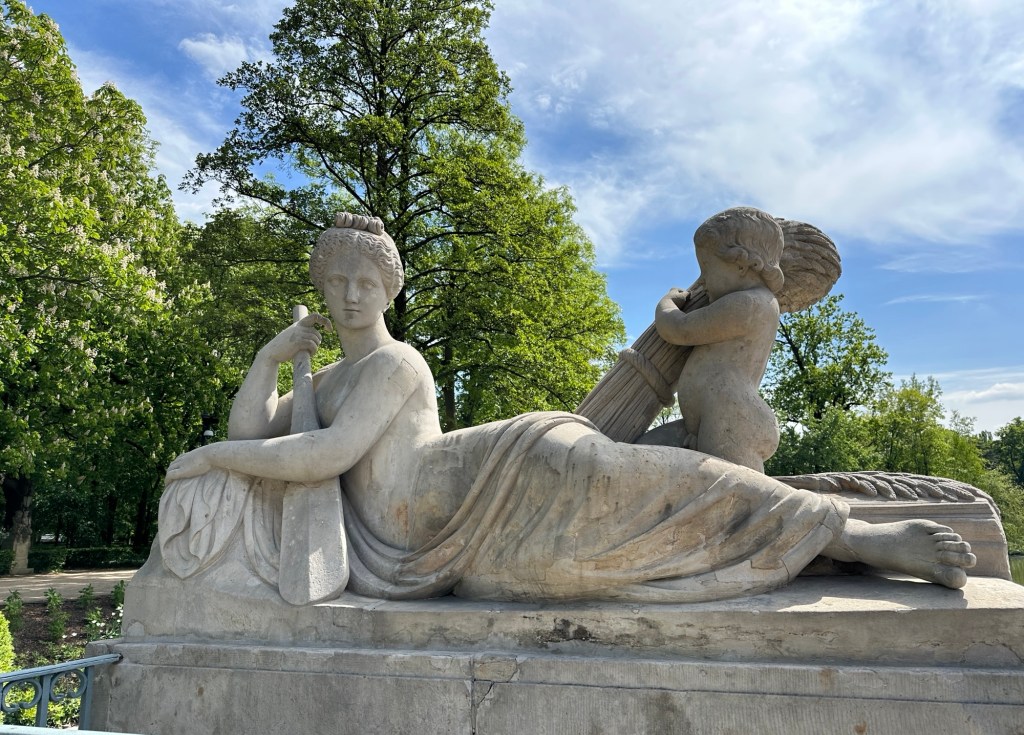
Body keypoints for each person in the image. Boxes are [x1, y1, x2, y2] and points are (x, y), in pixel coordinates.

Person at [160, 213, 975, 603]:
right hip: (441, 532)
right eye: (335, 283)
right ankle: (825, 534)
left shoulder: (394, 362)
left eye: (364, 283)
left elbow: (322, 457)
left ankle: (852, 534)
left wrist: (208, 458)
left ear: (389, 290)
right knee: (654, 509)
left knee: (646, 485)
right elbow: (255, 431)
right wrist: (269, 359)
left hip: (501, 473)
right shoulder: (331, 379)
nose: (347, 296)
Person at [654, 207, 784, 473]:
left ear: (741, 264)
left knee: (736, 491)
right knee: (639, 452)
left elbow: (679, 329)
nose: (702, 281)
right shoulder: (751, 301)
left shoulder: (749, 305)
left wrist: (666, 303)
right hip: (705, 422)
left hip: (732, 419)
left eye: (706, 269)